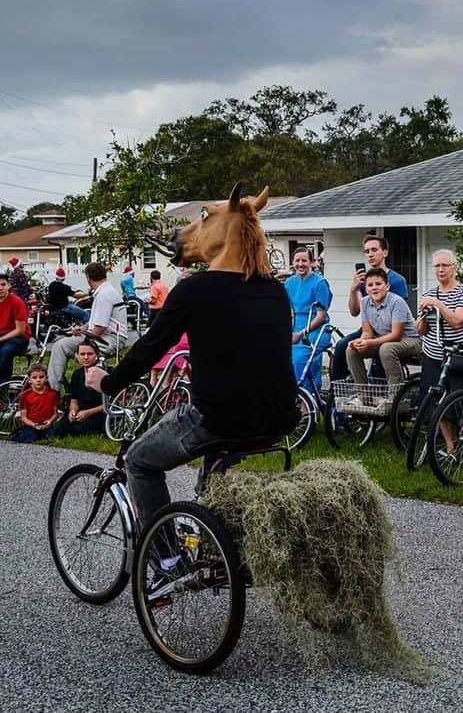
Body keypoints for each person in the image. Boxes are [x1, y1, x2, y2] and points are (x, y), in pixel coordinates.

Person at [86, 184, 296, 530]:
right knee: (214, 467)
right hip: (276, 419)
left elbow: (149, 347)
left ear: (223, 228)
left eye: (205, 218)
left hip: (218, 418)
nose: (196, 228)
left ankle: (165, 558)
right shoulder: (275, 291)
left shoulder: (194, 289)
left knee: (139, 461)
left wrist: (107, 381)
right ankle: (216, 540)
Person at [331, 235, 411, 382]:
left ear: (385, 253)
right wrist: (353, 289)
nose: (370, 254)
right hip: (369, 329)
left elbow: (399, 316)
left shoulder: (397, 280)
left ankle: (384, 392)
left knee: (383, 352)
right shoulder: (364, 281)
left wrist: (372, 341)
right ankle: (337, 391)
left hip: (390, 329)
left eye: (374, 250)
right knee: (343, 346)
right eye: (367, 251)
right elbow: (355, 311)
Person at [47, 262, 126, 391]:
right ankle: (64, 387)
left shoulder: (104, 295)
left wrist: (84, 340)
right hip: (109, 335)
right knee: (65, 344)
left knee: (60, 346)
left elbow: (99, 328)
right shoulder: (106, 291)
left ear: (88, 278)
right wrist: (82, 329)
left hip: (110, 339)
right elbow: (96, 322)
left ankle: (52, 390)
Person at [345, 267, 422, 389]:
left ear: (387, 286)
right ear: (366, 288)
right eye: (370, 285)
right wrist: (360, 341)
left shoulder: (397, 302)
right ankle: (364, 395)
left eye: (378, 284)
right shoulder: (364, 302)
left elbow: (396, 335)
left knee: (386, 349)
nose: (374, 287)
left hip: (410, 339)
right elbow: (367, 332)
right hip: (384, 339)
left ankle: (396, 397)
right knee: (351, 350)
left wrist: (369, 342)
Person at [415, 249, 463, 396]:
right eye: (437, 266)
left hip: (458, 357)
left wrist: (438, 304)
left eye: (445, 265)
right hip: (432, 356)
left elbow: (458, 321)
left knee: (457, 405)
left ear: (454, 267)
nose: (440, 269)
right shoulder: (428, 294)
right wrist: (424, 314)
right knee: (431, 405)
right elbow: (421, 330)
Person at [284, 247, 332, 390]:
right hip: (294, 326)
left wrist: (301, 333)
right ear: (292, 262)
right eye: (297, 260)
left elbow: (321, 316)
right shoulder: (289, 283)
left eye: (304, 260)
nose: (300, 264)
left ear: (311, 262)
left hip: (315, 328)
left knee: (299, 359)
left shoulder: (319, 283)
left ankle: (307, 400)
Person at [51, 341, 105, 437]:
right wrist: (73, 411)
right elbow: (74, 399)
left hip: (98, 411)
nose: (86, 357)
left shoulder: (105, 373)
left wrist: (87, 413)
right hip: (81, 410)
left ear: (97, 354)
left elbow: (110, 404)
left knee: (80, 430)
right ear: (77, 356)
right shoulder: (77, 374)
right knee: (59, 429)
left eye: (90, 354)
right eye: (82, 354)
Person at [11, 364, 60, 443]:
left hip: (46, 425)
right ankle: (17, 434)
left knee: (52, 438)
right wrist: (34, 425)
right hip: (31, 425)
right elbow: (23, 417)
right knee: (29, 438)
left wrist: (50, 421)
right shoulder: (25, 395)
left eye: (41, 377)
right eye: (34, 377)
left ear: (46, 378)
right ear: (29, 380)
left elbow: (55, 414)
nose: (38, 380)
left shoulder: (53, 394)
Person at [0, 273, 30, 382]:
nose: (0, 288)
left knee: (4, 353)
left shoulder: (16, 302)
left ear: (9, 286)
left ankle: (3, 389)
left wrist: (1, 339)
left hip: (18, 337)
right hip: (2, 335)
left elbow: (20, 330)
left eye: (3, 284)